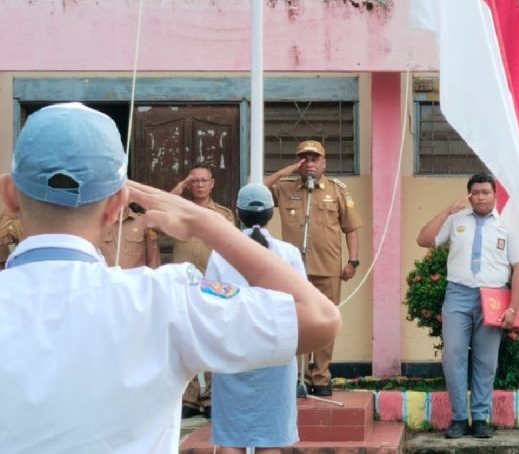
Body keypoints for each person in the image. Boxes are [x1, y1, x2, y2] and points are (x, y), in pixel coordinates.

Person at [0, 103, 340, 452]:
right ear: (118, 204)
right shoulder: (164, 299)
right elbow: (320, 318)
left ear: (9, 195)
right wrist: (204, 223)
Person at [416, 173, 519, 439]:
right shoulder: (457, 221)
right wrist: (447, 211)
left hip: (494, 298)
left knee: (485, 361)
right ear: (469, 195)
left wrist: (513, 307)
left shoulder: (508, 224)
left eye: (485, 192)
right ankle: (458, 418)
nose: (480, 197)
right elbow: (424, 239)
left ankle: (480, 417)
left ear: (494, 195)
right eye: (475, 192)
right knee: (453, 354)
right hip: (458, 294)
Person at [207, 184, 305, 453]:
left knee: (231, 437)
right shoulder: (289, 254)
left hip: (233, 350)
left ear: (239, 213)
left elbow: (210, 305)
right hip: (277, 350)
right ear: (271, 213)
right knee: (270, 438)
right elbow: (303, 306)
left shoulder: (221, 253)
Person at [266, 140, 363, 397]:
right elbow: (258, 192)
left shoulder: (338, 190)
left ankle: (320, 376)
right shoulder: (286, 188)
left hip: (328, 268)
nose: (309, 164)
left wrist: (352, 261)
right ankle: (296, 377)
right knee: (295, 323)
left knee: (325, 323)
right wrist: (285, 171)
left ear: (324, 163)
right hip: (294, 270)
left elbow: (350, 229)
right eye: (304, 159)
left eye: (314, 159)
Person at [171, 163, 236, 417]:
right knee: (184, 338)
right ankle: (189, 397)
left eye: (203, 181)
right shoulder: (178, 208)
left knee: (211, 336)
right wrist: (181, 184)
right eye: (194, 181)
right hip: (183, 282)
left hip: (212, 283)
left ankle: (209, 395)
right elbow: (161, 205)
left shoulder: (223, 213)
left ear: (212, 184)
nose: (198, 185)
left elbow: (230, 243)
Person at [99, 203, 161, 269]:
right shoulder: (99, 224)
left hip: (136, 278)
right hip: (105, 278)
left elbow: (153, 258)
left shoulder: (143, 222)